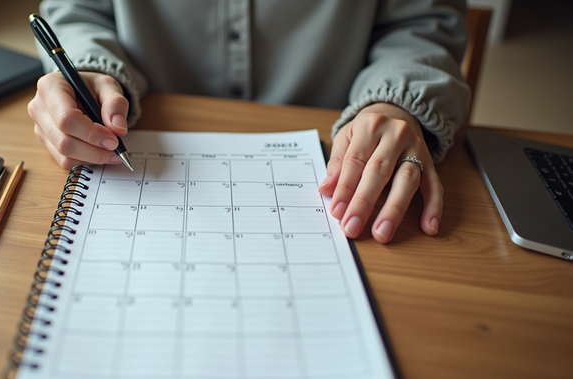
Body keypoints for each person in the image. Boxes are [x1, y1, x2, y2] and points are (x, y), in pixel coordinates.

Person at [28, 0, 470, 243]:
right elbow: (78, 11)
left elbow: (424, 22)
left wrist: (398, 102)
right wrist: (89, 70)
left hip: (339, 142)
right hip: (142, 122)